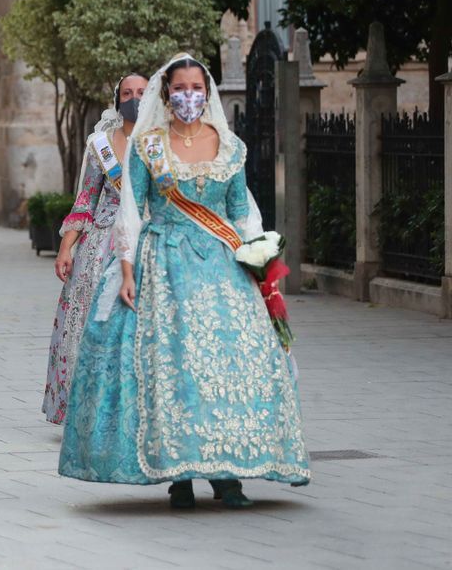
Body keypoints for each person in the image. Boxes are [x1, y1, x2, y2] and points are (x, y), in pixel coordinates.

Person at [58, 54, 310, 508]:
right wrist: (128, 270)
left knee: (226, 366)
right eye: (180, 88)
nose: (188, 96)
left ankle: (228, 475)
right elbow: (132, 210)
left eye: (196, 87)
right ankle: (180, 478)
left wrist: (259, 260)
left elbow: (240, 210)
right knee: (171, 367)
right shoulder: (149, 145)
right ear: (166, 93)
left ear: (207, 93)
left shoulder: (229, 145)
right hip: (164, 262)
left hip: (223, 265)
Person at [42, 73, 147, 425]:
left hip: (146, 240)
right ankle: (85, 407)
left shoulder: (163, 142)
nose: (134, 98)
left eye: (142, 93)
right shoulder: (100, 144)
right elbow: (86, 199)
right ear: (117, 99)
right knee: (89, 321)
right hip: (101, 243)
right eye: (127, 93)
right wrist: (65, 248)